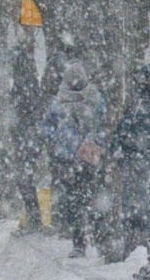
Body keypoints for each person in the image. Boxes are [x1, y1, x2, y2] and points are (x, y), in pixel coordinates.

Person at [40, 60, 106, 258]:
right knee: (77, 201)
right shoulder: (61, 102)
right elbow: (47, 127)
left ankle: (92, 238)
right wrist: (59, 141)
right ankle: (81, 241)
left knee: (87, 200)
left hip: (85, 157)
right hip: (69, 158)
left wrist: (94, 143)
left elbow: (103, 125)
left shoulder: (92, 99)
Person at [110, 64, 150, 280]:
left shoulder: (138, 105)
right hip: (136, 163)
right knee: (140, 211)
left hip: (139, 163)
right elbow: (123, 129)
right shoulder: (137, 104)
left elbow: (125, 129)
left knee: (142, 211)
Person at [10, 45, 44, 236]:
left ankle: (34, 217)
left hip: (26, 137)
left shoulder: (23, 85)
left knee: (24, 178)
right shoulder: (29, 83)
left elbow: (23, 110)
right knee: (25, 177)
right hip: (29, 136)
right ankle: (33, 216)